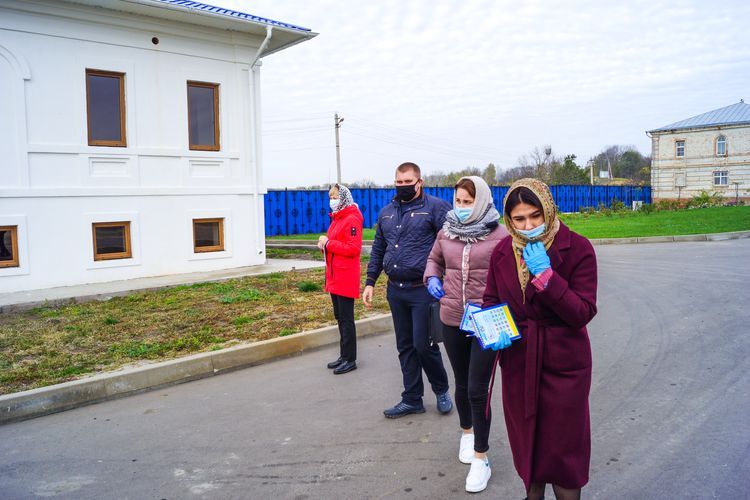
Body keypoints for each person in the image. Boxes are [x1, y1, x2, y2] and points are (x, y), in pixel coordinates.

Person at [483, 178, 598, 500]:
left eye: (535, 216)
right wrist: (493, 328)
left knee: (564, 451)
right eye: (519, 219)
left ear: (548, 210)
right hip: (519, 362)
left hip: (564, 365)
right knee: (527, 444)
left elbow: (582, 312)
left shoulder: (578, 248)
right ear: (508, 220)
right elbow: (491, 298)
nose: (528, 226)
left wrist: (547, 278)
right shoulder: (503, 251)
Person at [423, 176, 509, 493]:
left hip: (486, 321)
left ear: (482, 201)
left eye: (468, 201)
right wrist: (432, 278)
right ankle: (467, 432)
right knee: (461, 382)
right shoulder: (446, 231)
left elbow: (513, 276)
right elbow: (433, 260)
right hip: (452, 317)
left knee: (477, 388)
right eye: (458, 200)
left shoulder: (500, 235)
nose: (461, 207)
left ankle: (481, 458)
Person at [362, 162, 453, 418]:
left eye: (408, 182)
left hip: (423, 289)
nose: (402, 186)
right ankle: (412, 398)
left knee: (424, 345)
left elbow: (450, 245)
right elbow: (378, 249)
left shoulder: (436, 208)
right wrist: (370, 281)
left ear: (419, 182)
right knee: (405, 346)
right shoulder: (387, 213)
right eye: (399, 182)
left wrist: (444, 277)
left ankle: (442, 390)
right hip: (396, 290)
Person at [318, 183, 364, 375]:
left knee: (346, 319)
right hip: (334, 275)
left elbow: (353, 248)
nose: (332, 201)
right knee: (339, 317)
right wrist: (324, 245)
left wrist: (329, 243)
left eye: (335, 197)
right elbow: (336, 244)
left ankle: (350, 359)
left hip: (345, 276)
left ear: (344, 198)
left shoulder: (351, 219)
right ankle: (344, 355)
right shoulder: (337, 218)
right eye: (330, 197)